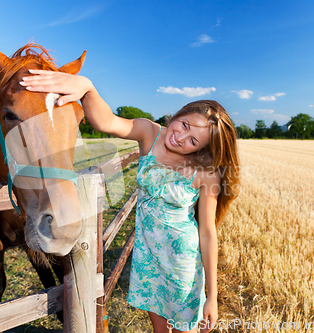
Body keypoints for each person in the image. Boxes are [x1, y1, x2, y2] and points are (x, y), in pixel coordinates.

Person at [19, 70, 240, 333]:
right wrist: (89, 89)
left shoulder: (206, 172)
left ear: (200, 149)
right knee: (159, 330)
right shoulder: (150, 133)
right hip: (148, 258)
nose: (180, 137)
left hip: (182, 264)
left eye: (192, 140)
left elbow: (207, 232)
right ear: (180, 114)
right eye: (185, 125)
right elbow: (107, 122)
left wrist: (211, 296)